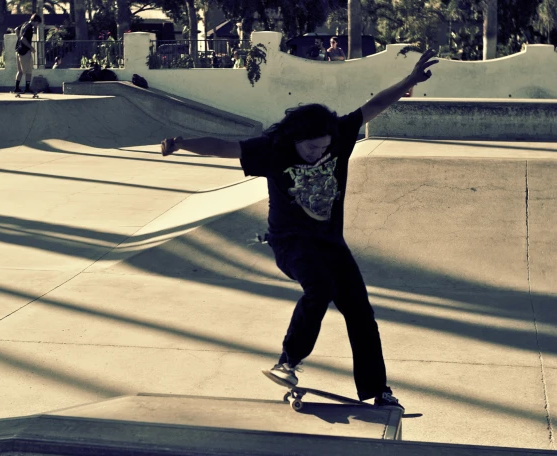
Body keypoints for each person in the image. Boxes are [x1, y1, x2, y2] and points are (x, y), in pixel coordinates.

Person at [160, 50, 439, 409]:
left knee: (360, 312)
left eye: (323, 148)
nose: (316, 154)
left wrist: (408, 82)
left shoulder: (337, 134)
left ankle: (378, 390)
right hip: (290, 243)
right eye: (310, 148)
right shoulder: (272, 149)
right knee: (319, 286)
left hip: (330, 243)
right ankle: (288, 361)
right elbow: (224, 147)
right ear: (295, 139)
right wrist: (182, 142)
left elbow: (375, 105)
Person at [14, 13, 42, 94]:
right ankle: (27, 88)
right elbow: (23, 39)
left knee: (20, 71)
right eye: (38, 23)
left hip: (18, 50)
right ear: (36, 21)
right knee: (28, 70)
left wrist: (19, 39)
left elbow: (16, 29)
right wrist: (31, 47)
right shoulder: (29, 28)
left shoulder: (25, 23)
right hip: (25, 51)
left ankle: (16, 88)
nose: (37, 25)